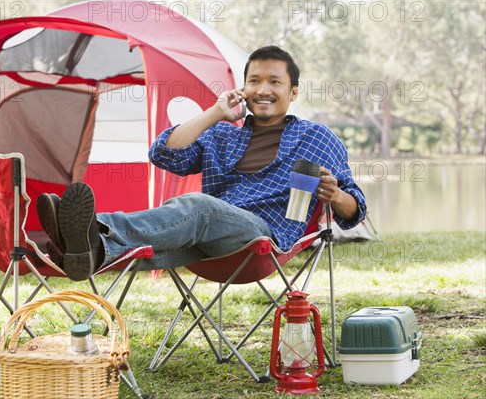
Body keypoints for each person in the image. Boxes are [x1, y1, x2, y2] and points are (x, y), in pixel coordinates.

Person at [37, 45, 366, 281]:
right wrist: (215, 113)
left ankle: (92, 228)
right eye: (254, 81)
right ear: (244, 88)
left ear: (293, 92)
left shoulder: (317, 138)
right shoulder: (223, 135)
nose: (263, 89)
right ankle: (85, 252)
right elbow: (163, 153)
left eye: (275, 82)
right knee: (156, 247)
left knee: (199, 207)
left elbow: (355, 210)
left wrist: (335, 195)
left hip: (265, 238)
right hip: (209, 236)